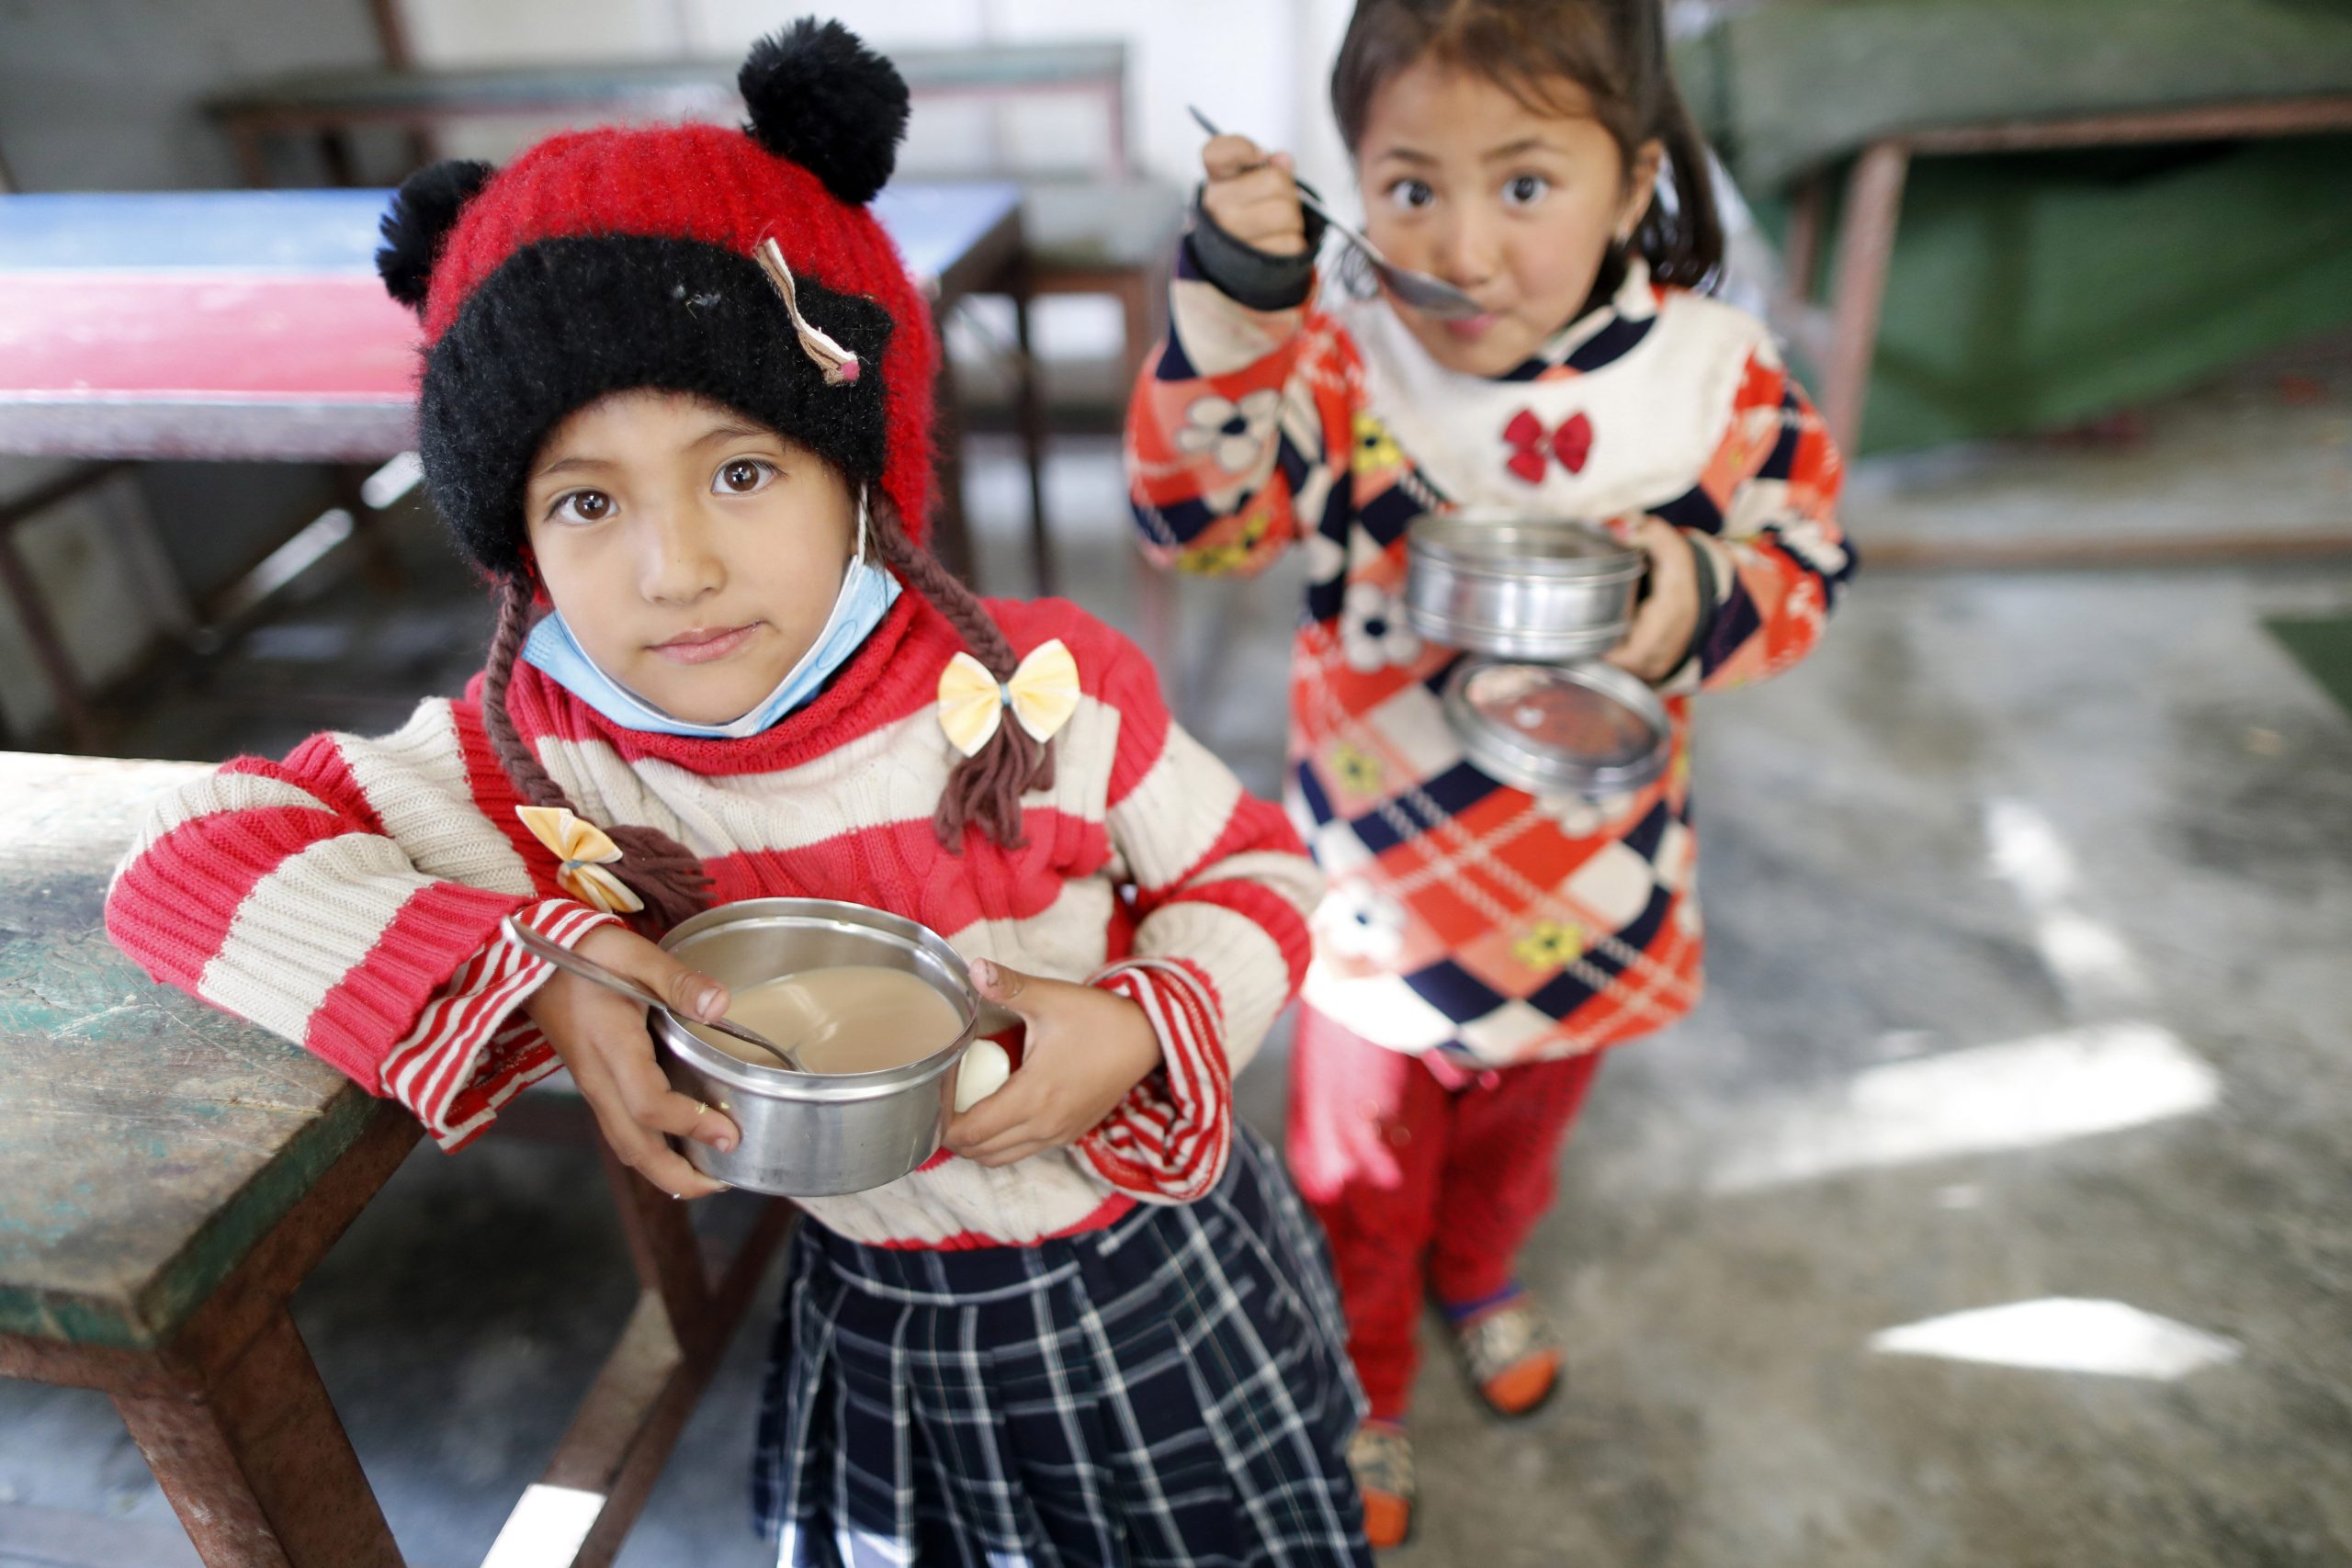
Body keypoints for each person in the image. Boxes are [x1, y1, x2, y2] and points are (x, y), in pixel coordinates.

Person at [106, 20, 1371, 1565]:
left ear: (864, 461)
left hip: (1168, 1260)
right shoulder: (551, 760)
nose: (677, 567)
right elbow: (183, 857)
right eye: (586, 499)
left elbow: (1265, 879)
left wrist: (1142, 1022)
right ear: (517, 544)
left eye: (744, 470)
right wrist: (539, 975)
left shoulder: (1053, 686)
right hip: (899, 1327)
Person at [1125, 0, 1855, 1545]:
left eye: (1525, 185)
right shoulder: (1337, 365)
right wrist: (1232, 308)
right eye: (1408, 187)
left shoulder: (1714, 377)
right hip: (1378, 889)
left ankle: (1483, 1273)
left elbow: (1807, 568)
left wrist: (1685, 595)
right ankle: (1366, 1374)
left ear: (1632, 175)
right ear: (1355, 185)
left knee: (1525, 1129)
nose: (1459, 247)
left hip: (1601, 875)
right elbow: (1200, 525)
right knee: (1357, 1168)